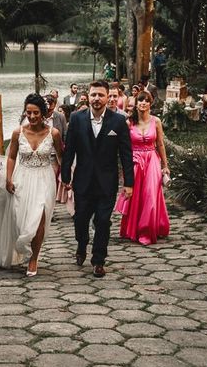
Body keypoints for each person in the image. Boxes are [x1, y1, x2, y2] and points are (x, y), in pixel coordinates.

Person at [61, 80, 134, 278]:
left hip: (107, 182)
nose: (97, 99)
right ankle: (82, 243)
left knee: (103, 221)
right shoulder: (76, 119)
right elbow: (69, 150)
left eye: (101, 95)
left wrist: (129, 183)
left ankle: (98, 260)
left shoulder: (118, 122)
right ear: (89, 96)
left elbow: (126, 154)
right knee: (80, 220)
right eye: (93, 95)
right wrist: (65, 175)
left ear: (109, 97)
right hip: (83, 181)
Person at [6, 93, 64, 277]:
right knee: (21, 219)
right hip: (22, 178)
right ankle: (23, 249)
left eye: (36, 113)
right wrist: (8, 178)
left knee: (40, 218)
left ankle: (34, 258)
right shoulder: (18, 133)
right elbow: (12, 156)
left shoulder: (53, 134)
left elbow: (62, 157)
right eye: (28, 112)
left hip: (44, 179)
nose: (31, 117)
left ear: (44, 113)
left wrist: (67, 179)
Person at [115, 91, 170, 245]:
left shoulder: (156, 121)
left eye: (146, 101)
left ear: (150, 104)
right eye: (140, 101)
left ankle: (147, 230)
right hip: (136, 160)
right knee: (136, 195)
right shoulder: (128, 123)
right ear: (136, 104)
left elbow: (160, 144)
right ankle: (133, 228)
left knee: (151, 194)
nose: (143, 103)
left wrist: (165, 165)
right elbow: (123, 145)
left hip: (152, 158)